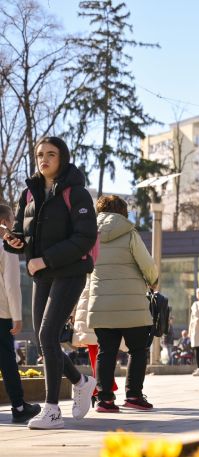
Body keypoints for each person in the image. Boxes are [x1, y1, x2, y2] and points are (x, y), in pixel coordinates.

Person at [3, 136, 98, 429]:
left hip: (70, 271)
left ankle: (53, 409)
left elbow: (85, 237)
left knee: (47, 335)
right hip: (42, 274)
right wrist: (13, 240)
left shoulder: (76, 193)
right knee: (45, 342)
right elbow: (23, 236)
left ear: (63, 158)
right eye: (40, 154)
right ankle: (81, 381)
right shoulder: (28, 193)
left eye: (51, 154)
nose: (44, 159)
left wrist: (44, 260)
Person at [84, 195, 158, 412]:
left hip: (101, 302)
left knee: (106, 351)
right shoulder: (129, 233)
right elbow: (147, 264)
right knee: (137, 349)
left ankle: (105, 399)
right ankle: (134, 396)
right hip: (131, 303)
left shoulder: (88, 235)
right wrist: (153, 281)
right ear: (122, 211)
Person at [0, 204, 40, 423]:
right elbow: (12, 286)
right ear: (5, 222)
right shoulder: (7, 247)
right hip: (1, 313)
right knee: (7, 360)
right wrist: (17, 316)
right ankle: (18, 406)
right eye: (13, 220)